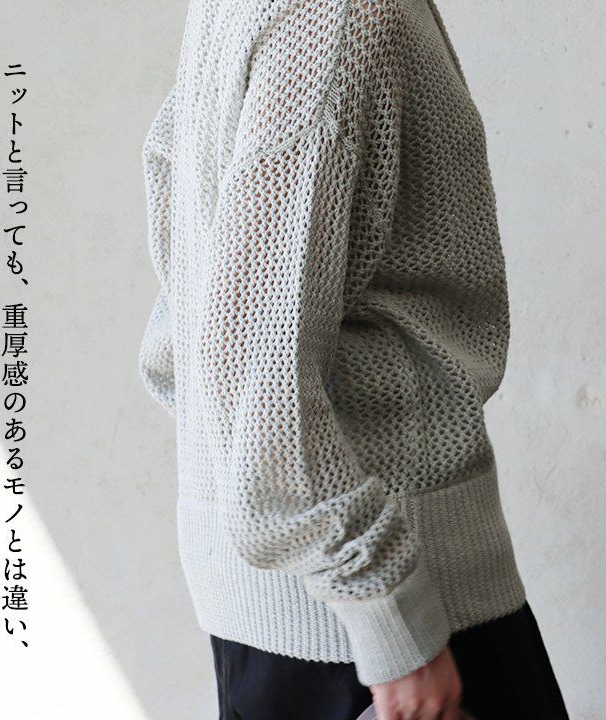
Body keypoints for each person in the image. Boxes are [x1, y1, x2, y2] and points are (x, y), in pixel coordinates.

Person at [138, 0, 571, 718]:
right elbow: (251, 359)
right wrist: (390, 618)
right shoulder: (334, 15)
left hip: (305, 608)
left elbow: (187, 243)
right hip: (385, 616)